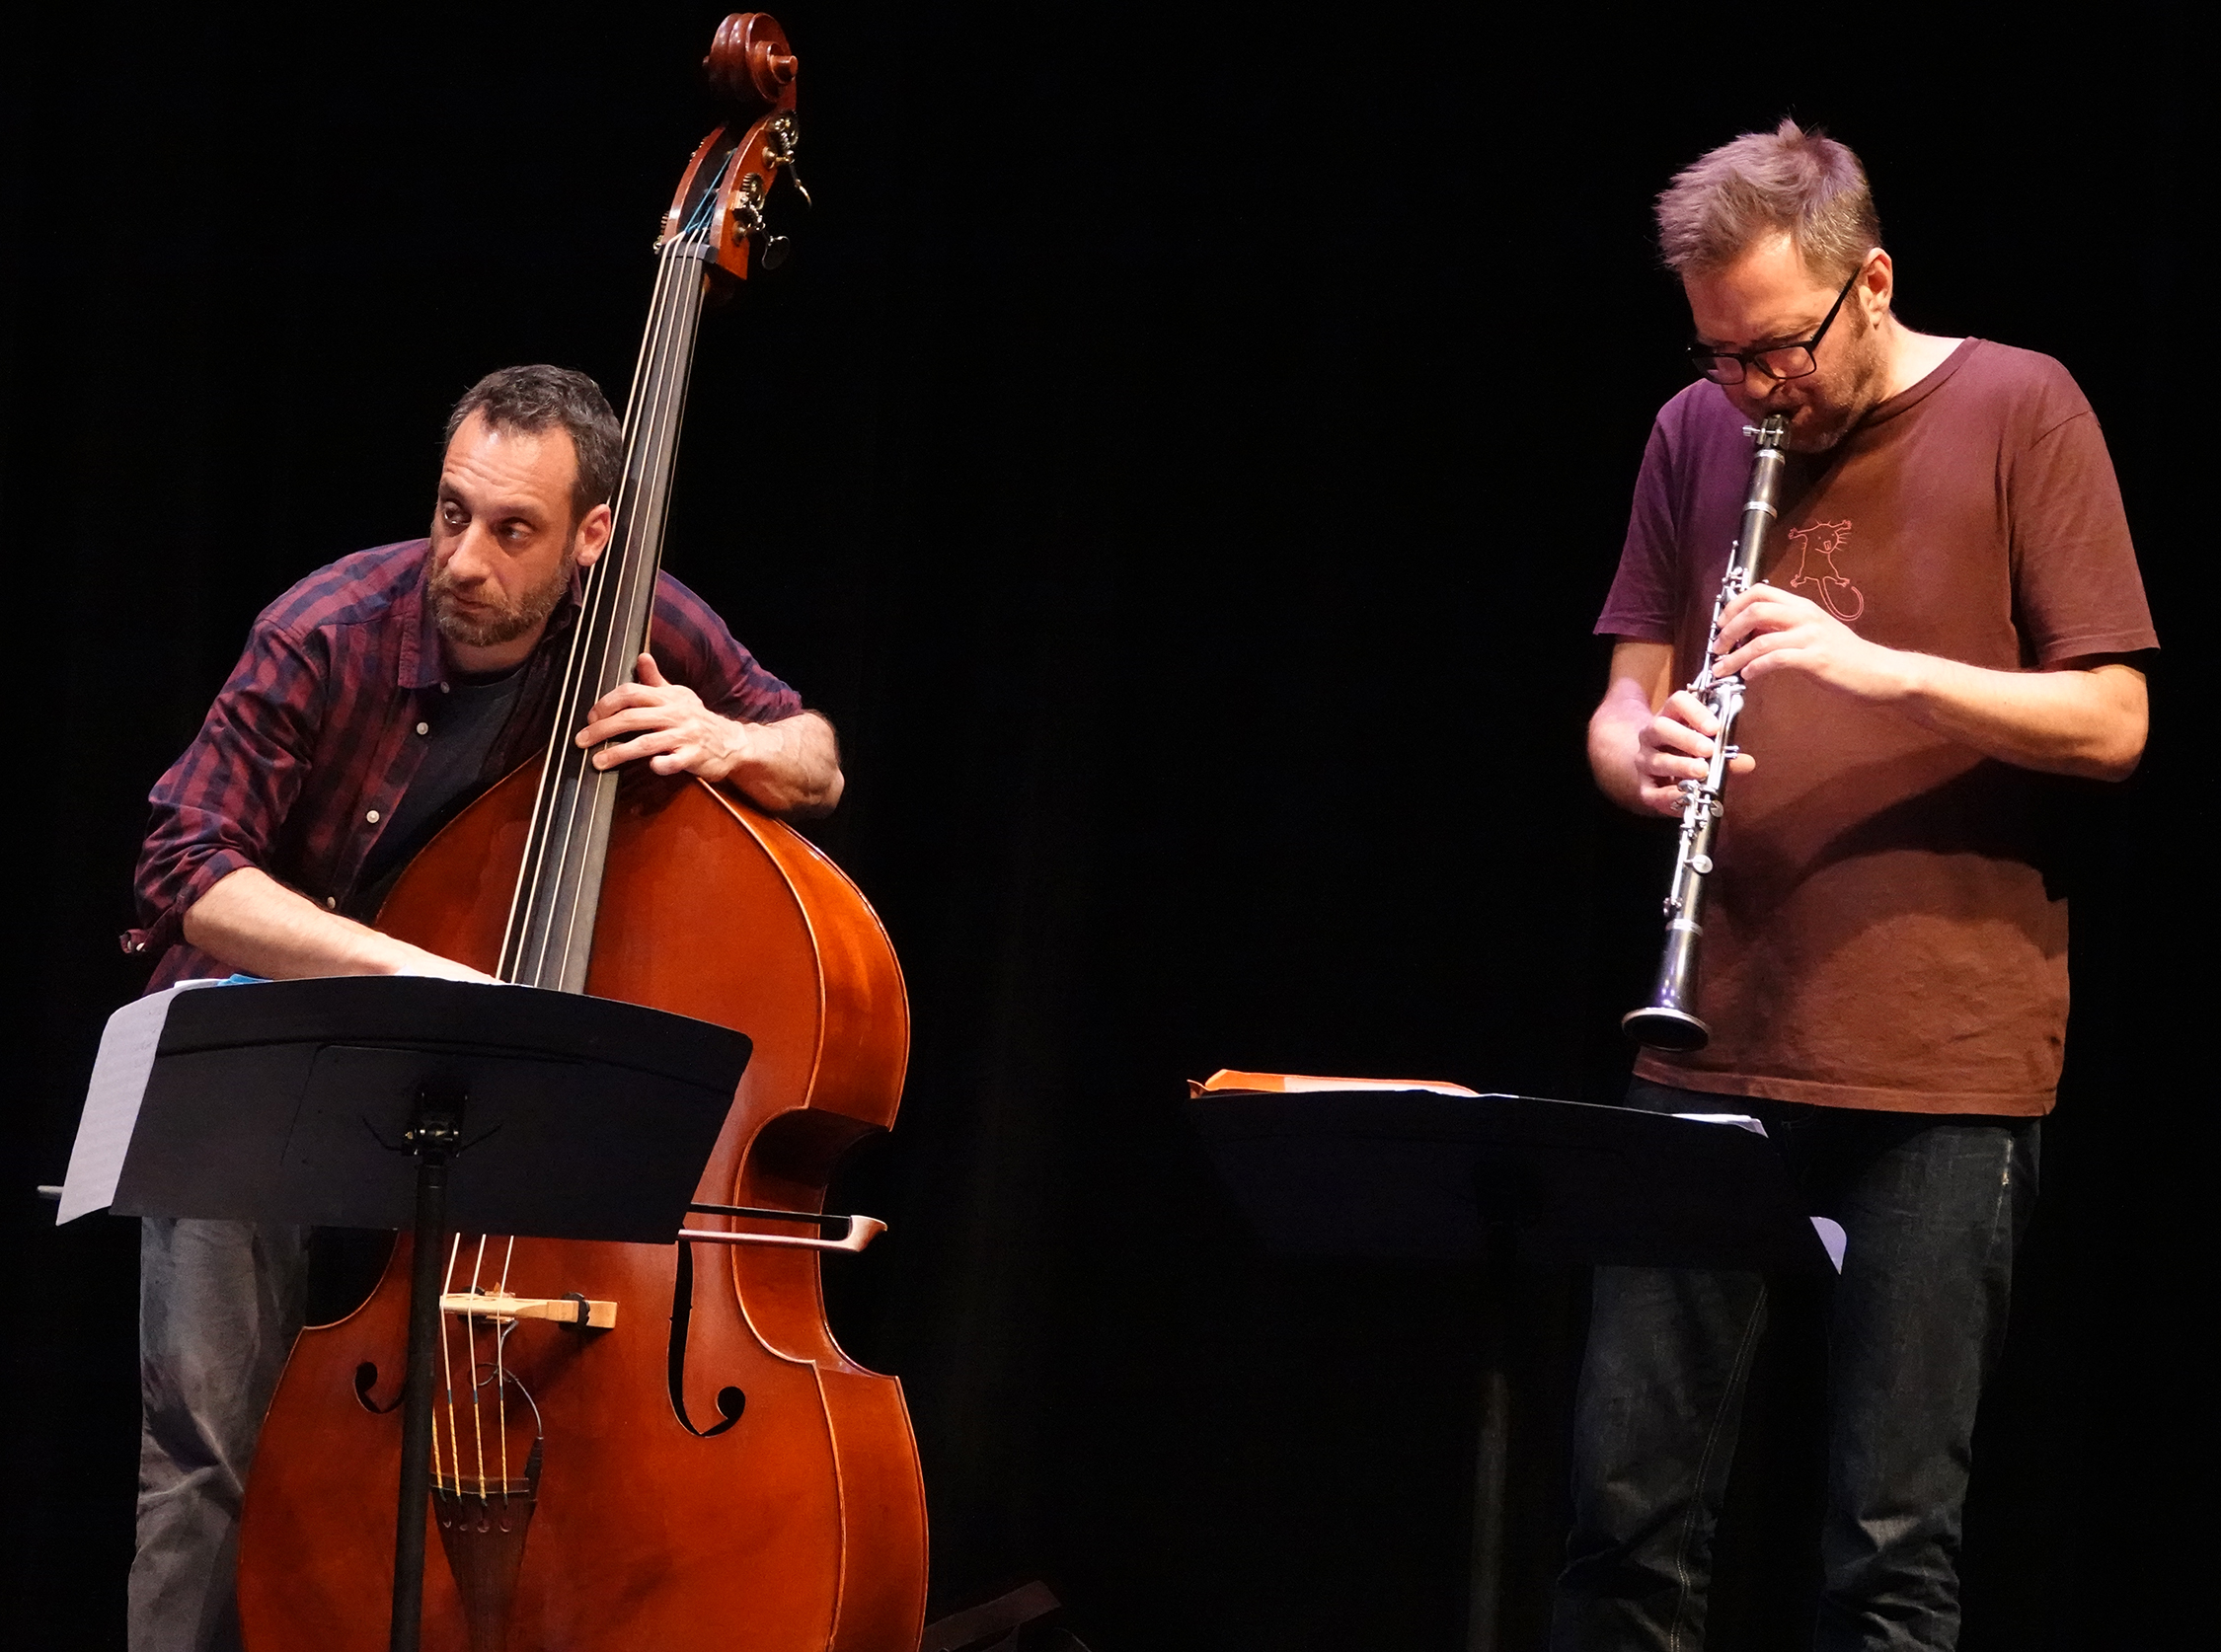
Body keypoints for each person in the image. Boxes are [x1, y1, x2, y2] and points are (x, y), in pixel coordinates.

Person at [121, 364, 842, 1652]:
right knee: (208, 1455)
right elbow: (187, 874)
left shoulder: (636, 620)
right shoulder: (327, 626)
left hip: (454, 1087)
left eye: (512, 531)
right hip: (268, 1042)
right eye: (452, 512)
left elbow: (816, 753)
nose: (464, 557)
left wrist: (729, 738)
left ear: (591, 539)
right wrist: (426, 979)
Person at [1558, 121, 2156, 1650]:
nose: (1752, 392)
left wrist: (1876, 668)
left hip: (1940, 1058)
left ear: (1868, 282)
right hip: (1710, 1035)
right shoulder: (1689, 433)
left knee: (1888, 1546)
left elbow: (2111, 721)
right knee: (1624, 1521)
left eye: (1774, 352)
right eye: (1717, 357)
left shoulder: (2022, 404)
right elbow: (1618, 703)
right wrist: (1639, 753)